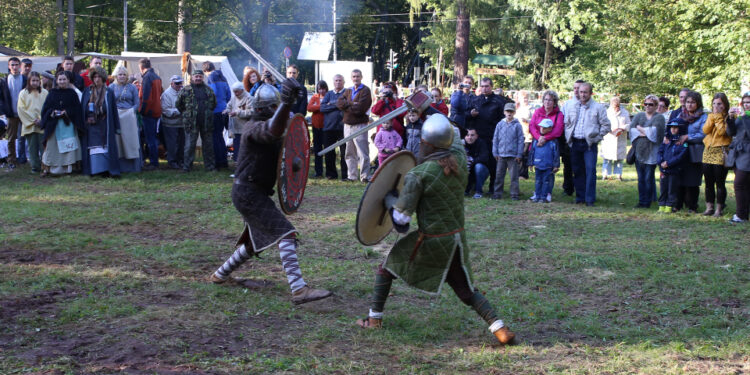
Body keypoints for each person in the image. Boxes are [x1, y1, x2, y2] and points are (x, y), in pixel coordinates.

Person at [355, 114, 516, 346]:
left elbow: (401, 221)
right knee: (466, 290)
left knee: (387, 268)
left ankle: (374, 319)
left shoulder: (418, 175)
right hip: (456, 238)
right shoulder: (460, 160)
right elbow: (457, 138)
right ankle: (501, 330)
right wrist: (428, 109)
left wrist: (390, 202)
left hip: (431, 240)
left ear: (427, 144)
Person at [209, 79, 332, 305]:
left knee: (253, 242)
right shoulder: (253, 128)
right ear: (269, 109)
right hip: (248, 192)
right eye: (276, 108)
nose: (279, 112)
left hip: (252, 192)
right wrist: (286, 104)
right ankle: (298, 289)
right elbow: (272, 130)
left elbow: (283, 143)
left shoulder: (266, 126)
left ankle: (220, 274)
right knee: (285, 234)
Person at [564, 82, 611, 206]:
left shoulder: (598, 107)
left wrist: (597, 138)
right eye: (581, 92)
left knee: (590, 171)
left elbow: (606, 125)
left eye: (585, 92)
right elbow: (567, 122)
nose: (583, 94)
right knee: (577, 170)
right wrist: (568, 135)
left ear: (591, 93)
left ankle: (590, 199)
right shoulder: (572, 106)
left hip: (589, 144)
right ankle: (580, 197)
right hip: (575, 142)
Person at [40, 71, 83, 176]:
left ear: (68, 80)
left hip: (68, 125)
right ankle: (49, 169)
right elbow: (45, 109)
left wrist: (67, 112)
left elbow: (77, 109)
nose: (62, 81)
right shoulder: (52, 93)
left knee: (69, 148)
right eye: (60, 79)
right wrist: (52, 112)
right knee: (52, 147)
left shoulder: (72, 94)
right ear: (57, 80)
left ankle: (69, 169)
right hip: (54, 125)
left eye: (64, 79)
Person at [468, 77, 507, 194]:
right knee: (476, 161)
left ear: (491, 87)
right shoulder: (475, 100)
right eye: (482, 86)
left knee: (494, 163)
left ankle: (493, 188)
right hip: (478, 138)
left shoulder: (499, 101)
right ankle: (474, 186)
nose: (484, 89)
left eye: (487, 86)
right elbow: (467, 115)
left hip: (493, 137)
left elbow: (504, 120)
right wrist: (471, 114)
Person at [80, 67, 121, 177]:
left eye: (99, 77)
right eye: (95, 77)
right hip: (92, 125)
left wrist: (117, 126)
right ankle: (94, 170)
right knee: (94, 147)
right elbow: (83, 107)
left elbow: (113, 110)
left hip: (105, 124)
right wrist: (88, 116)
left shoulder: (109, 92)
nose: (97, 79)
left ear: (103, 78)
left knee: (105, 146)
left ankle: (106, 170)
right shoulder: (87, 91)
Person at [629, 95, 666, 208]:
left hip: (652, 153)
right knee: (640, 179)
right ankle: (642, 201)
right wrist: (646, 132)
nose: (648, 106)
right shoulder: (639, 115)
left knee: (648, 178)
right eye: (646, 104)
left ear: (656, 106)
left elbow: (655, 134)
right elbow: (631, 130)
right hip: (639, 152)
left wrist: (640, 129)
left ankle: (648, 202)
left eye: (651, 104)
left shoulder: (659, 118)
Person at [673, 90, 707, 213]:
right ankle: (678, 204)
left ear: (698, 103)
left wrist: (688, 136)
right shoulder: (680, 115)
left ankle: (692, 206)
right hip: (680, 151)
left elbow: (703, 134)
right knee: (679, 179)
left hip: (695, 151)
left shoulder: (703, 116)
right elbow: (673, 128)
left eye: (693, 102)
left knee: (692, 180)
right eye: (688, 102)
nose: (689, 105)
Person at [177, 70, 217, 172]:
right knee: (189, 146)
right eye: (196, 76)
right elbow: (179, 105)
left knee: (208, 145)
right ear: (192, 77)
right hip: (191, 123)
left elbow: (213, 104)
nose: (198, 78)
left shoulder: (208, 90)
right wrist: (187, 114)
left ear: (203, 78)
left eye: (200, 76)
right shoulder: (185, 90)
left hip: (206, 123)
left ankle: (210, 167)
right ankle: (187, 167)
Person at [336, 69, 372, 182]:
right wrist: (352, 104)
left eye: (357, 76)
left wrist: (347, 106)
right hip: (347, 125)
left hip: (360, 125)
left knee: (362, 152)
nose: (355, 78)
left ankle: (365, 176)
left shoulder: (365, 90)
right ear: (351, 78)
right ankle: (352, 176)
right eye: (354, 76)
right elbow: (339, 103)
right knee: (349, 152)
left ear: (361, 77)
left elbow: (361, 108)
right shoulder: (348, 91)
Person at [528, 90, 565, 202]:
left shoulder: (559, 114)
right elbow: (532, 126)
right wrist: (539, 137)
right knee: (539, 171)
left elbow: (558, 130)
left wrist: (545, 138)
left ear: (554, 102)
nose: (548, 102)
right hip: (538, 142)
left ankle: (547, 192)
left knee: (549, 171)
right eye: (546, 99)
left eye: (550, 100)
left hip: (550, 143)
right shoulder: (537, 112)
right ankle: (538, 192)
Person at [701, 93, 733, 217]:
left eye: (719, 104)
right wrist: (713, 117)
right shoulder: (711, 116)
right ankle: (709, 207)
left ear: (724, 104)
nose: (716, 106)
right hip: (708, 151)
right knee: (708, 182)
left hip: (721, 151)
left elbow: (722, 132)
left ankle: (719, 209)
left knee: (720, 182)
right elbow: (705, 130)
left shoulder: (729, 117)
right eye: (714, 103)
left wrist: (719, 117)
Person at [110, 66, 141, 173]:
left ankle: (133, 167)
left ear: (127, 76)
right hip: (116, 117)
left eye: (124, 74)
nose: (122, 76)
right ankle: (119, 167)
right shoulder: (111, 87)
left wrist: (131, 112)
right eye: (120, 74)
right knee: (118, 141)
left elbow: (137, 103)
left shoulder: (132, 87)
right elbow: (109, 103)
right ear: (116, 76)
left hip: (129, 117)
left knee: (130, 140)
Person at [491, 103, 524, 200]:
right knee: (499, 175)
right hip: (501, 154)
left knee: (514, 176)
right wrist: (495, 152)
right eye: (507, 111)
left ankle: (514, 194)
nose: (509, 113)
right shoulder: (499, 124)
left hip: (513, 155)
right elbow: (495, 138)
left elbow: (520, 140)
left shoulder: (517, 125)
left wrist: (519, 154)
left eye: (511, 111)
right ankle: (497, 193)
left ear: (514, 112)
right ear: (504, 112)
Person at [17, 71, 48, 174]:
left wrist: (42, 120)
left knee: (43, 146)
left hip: (42, 124)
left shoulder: (44, 93)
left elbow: (47, 108)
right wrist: (32, 120)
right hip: (29, 125)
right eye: (33, 80)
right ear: (29, 81)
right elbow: (21, 109)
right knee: (32, 147)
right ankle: (35, 166)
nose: (35, 83)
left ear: (40, 81)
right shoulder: (23, 93)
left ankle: (45, 165)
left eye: (37, 80)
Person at [727, 92, 750, 223]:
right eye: (745, 102)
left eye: (749, 102)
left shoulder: (745, 117)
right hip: (738, 153)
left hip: (747, 154)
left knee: (739, 184)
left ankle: (740, 215)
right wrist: (730, 119)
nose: (747, 105)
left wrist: (744, 118)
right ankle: (744, 214)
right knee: (744, 185)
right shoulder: (741, 117)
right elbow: (731, 132)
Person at [0, 57, 28, 170]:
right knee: (11, 138)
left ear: (20, 66)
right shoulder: (4, 81)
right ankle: (11, 160)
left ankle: (22, 158)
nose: (15, 67)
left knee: (24, 136)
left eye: (17, 65)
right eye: (12, 65)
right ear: (9, 66)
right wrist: (4, 111)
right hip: (11, 113)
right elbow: (1, 98)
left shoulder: (25, 79)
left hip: (24, 113)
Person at [559, 80, 585, 196]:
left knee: (580, 167)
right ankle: (568, 188)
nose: (576, 90)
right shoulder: (568, 104)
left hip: (582, 139)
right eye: (574, 88)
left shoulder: (588, 105)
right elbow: (562, 121)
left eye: (578, 88)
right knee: (568, 165)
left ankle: (581, 189)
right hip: (569, 139)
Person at [657, 120, 689, 212]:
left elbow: (680, 156)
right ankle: (661, 205)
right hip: (664, 170)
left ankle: (669, 206)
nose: (673, 129)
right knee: (663, 188)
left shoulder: (682, 143)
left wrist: (668, 163)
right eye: (672, 127)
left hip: (674, 170)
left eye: (676, 128)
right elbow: (660, 151)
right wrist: (661, 162)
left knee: (672, 189)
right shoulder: (666, 140)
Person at [320, 74, 347, 180]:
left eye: (340, 80)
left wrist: (331, 104)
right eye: (336, 80)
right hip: (328, 128)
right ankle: (331, 174)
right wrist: (338, 104)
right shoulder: (329, 94)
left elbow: (346, 105)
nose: (338, 82)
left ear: (344, 82)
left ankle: (345, 175)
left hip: (343, 128)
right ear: (333, 82)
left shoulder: (347, 93)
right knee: (329, 153)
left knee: (345, 153)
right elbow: (322, 108)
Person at [138, 58, 163, 170]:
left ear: (141, 67)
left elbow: (146, 98)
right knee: (152, 137)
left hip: (149, 112)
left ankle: (153, 162)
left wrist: (142, 111)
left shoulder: (147, 77)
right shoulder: (157, 77)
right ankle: (153, 160)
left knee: (150, 139)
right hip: (156, 111)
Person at [204, 62, 230, 170]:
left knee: (215, 137)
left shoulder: (211, 77)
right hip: (224, 110)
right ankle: (224, 161)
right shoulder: (223, 78)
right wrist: (223, 103)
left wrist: (209, 106)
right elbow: (229, 95)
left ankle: (218, 162)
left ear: (205, 71)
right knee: (220, 137)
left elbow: (212, 93)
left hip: (215, 111)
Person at [530, 119, 560, 203]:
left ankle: (544, 197)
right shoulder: (536, 140)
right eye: (541, 127)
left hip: (548, 165)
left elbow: (556, 153)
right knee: (538, 181)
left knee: (546, 181)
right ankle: (537, 195)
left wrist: (556, 165)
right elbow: (532, 151)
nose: (542, 129)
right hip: (538, 164)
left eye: (545, 127)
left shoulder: (553, 141)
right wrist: (531, 163)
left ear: (550, 129)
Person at [225, 82, 252, 171]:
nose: (235, 93)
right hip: (236, 128)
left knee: (245, 148)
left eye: (237, 92)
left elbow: (251, 112)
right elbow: (229, 106)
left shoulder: (249, 98)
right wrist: (227, 111)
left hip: (246, 128)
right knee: (236, 148)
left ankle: (245, 167)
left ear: (242, 90)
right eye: (234, 92)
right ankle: (237, 167)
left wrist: (238, 112)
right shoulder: (233, 98)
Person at [602, 96, 630, 180]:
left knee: (619, 158)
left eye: (617, 106)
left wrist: (623, 128)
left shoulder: (624, 112)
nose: (616, 108)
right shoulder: (607, 112)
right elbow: (603, 124)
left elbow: (629, 124)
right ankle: (605, 174)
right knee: (607, 158)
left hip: (621, 137)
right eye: (614, 106)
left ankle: (619, 175)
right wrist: (611, 130)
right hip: (609, 138)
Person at [161, 75, 185, 169]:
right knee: (172, 144)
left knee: (181, 144)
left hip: (182, 123)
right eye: (177, 83)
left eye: (180, 83)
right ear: (171, 84)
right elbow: (165, 110)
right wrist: (180, 111)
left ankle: (180, 160)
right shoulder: (166, 94)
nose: (179, 85)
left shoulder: (183, 92)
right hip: (170, 124)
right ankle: (172, 161)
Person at [307, 80, 327, 178]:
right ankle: (318, 172)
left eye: (323, 89)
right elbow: (309, 108)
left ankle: (329, 172)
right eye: (320, 89)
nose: (321, 91)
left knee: (327, 149)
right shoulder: (315, 97)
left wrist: (317, 107)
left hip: (327, 127)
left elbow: (330, 107)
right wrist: (322, 106)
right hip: (316, 126)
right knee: (317, 149)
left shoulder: (329, 96)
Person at [464, 128, 490, 198]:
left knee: (479, 166)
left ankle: (479, 192)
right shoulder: (461, 144)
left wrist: (471, 161)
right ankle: (465, 190)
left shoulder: (481, 143)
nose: (470, 137)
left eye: (472, 135)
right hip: (466, 171)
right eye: (467, 135)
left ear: (476, 136)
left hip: (480, 170)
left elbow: (484, 157)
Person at [515, 90, 532, 179]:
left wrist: (527, 121)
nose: (524, 99)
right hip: (518, 135)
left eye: (525, 98)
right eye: (522, 98)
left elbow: (534, 121)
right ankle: (517, 172)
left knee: (524, 154)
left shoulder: (531, 108)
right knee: (518, 153)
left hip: (528, 135)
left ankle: (523, 174)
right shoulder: (517, 109)